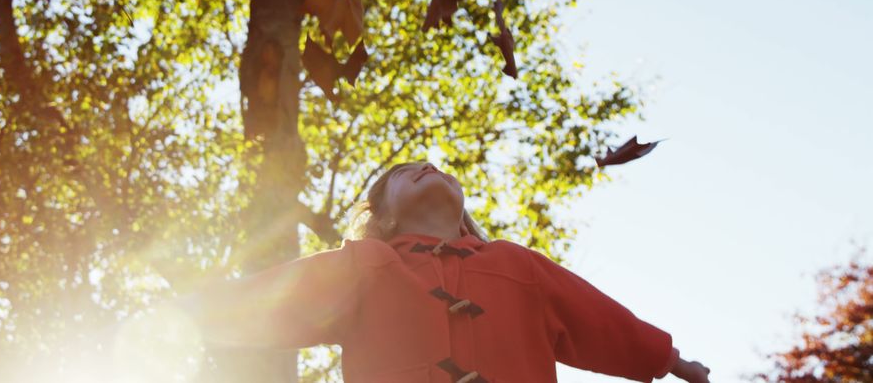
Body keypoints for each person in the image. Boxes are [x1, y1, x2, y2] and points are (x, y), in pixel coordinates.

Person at [174, 160, 712, 382]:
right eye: (408, 173)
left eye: (440, 172)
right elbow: (273, 298)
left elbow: (594, 315)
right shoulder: (364, 265)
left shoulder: (515, 264)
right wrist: (190, 314)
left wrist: (667, 358)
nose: (428, 166)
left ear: (462, 208)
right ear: (382, 216)